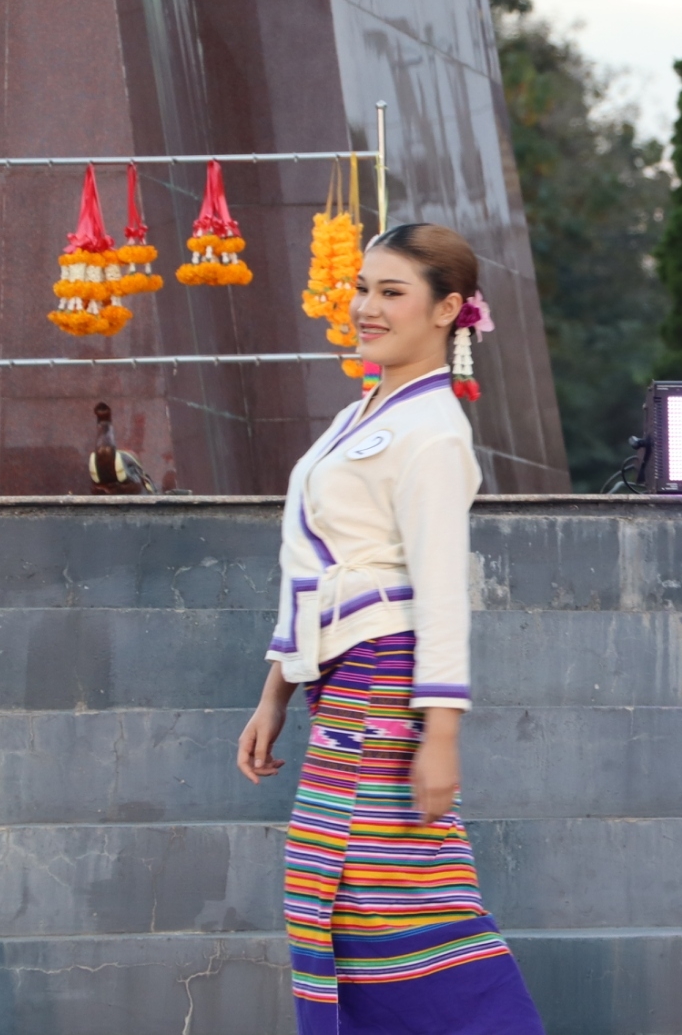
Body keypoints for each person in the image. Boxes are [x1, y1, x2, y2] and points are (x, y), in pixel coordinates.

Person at [237, 222, 541, 1035]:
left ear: (448, 309)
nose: (365, 306)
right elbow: (311, 561)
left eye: (390, 291)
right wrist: (276, 691)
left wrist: (440, 734)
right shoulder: (363, 411)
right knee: (344, 903)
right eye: (363, 287)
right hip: (340, 687)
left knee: (390, 901)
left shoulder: (434, 428)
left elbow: (440, 591)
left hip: (387, 688)